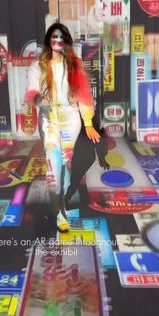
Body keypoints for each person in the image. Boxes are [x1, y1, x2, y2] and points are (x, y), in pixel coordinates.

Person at [25, 23, 100, 232]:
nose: (57, 41)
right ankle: (60, 212)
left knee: (65, 161)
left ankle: (64, 193)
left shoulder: (75, 64)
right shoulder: (38, 65)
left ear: (66, 41)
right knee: (53, 160)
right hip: (49, 119)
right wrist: (41, 101)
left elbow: (84, 96)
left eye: (61, 38)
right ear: (49, 40)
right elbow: (31, 92)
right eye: (54, 37)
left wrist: (87, 123)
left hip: (71, 119)